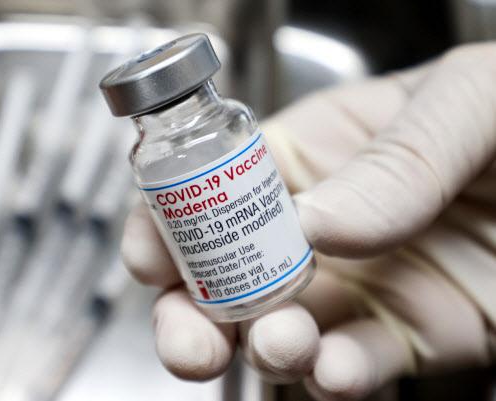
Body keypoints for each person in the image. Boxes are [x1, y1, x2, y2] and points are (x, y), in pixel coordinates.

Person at [120, 42, 496, 400]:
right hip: (229, 285)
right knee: (260, 344)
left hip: (304, 261)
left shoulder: (232, 117)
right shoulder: (148, 157)